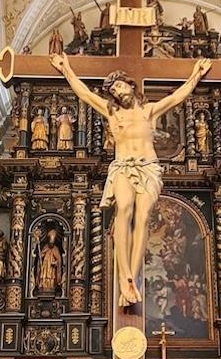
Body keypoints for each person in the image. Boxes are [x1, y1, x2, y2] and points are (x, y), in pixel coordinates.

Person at [50, 53, 211, 306]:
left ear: (130, 85)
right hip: (123, 166)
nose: (117, 92)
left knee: (144, 216)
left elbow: (177, 97)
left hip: (148, 168)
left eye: (119, 86)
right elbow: (85, 94)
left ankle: (132, 278)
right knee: (123, 209)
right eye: (113, 90)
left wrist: (196, 75)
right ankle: (124, 275)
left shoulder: (149, 111)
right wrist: (66, 69)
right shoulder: (112, 113)